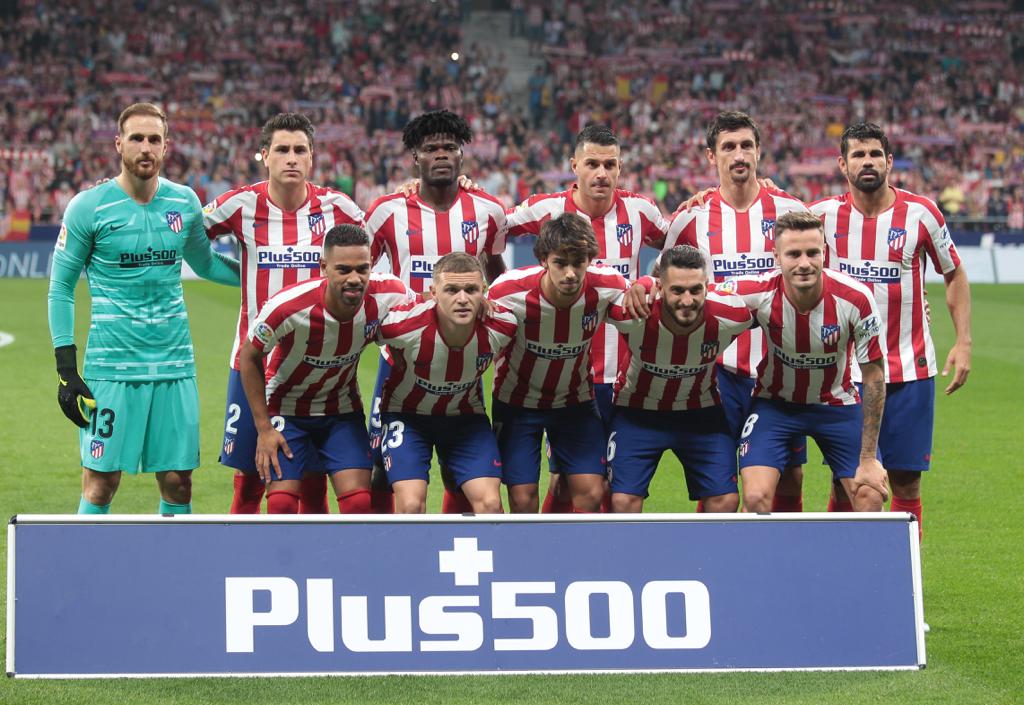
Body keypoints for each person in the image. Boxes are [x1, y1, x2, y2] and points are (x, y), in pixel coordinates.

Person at [47, 102, 240, 514]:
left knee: (178, 482)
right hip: (111, 368)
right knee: (100, 483)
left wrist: (264, 278)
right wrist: (66, 370)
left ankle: (172, 576)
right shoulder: (89, 207)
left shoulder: (184, 202)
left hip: (173, 364)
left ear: (166, 146)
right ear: (119, 143)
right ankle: (86, 575)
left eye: (155, 139)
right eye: (137, 138)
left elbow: (205, 263)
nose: (146, 147)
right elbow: (60, 287)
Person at [811, 122, 971, 536]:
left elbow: (954, 274)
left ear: (889, 162)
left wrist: (963, 342)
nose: (868, 162)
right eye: (859, 155)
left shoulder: (922, 214)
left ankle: (905, 581)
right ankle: (840, 566)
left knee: (906, 481)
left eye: (875, 154)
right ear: (842, 164)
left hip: (910, 369)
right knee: (848, 480)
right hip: (846, 376)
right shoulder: (822, 216)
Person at [203, 113, 366, 515]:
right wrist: (235, 275)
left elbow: (374, 255)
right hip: (253, 364)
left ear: (311, 158)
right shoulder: (241, 205)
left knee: (311, 485)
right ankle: (243, 566)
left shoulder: (337, 208)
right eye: (282, 149)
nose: (291, 158)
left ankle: (316, 570)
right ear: (264, 155)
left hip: (316, 366)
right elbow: (187, 237)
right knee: (249, 484)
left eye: (300, 150)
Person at [504, 123, 669, 512]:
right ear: (573, 165)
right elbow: (487, 227)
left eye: (610, 165)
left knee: (609, 484)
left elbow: (678, 250)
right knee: (565, 480)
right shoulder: (547, 210)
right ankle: (557, 556)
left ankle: (602, 558)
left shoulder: (640, 211)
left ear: (620, 167)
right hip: (567, 377)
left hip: (625, 374)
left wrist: (646, 279)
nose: (601, 173)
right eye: (592, 163)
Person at [663, 111, 810, 512]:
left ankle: (780, 564)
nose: (739, 154)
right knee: (720, 485)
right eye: (728, 147)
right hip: (717, 374)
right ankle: (713, 568)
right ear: (712, 156)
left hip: (779, 370)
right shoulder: (691, 217)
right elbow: (667, 290)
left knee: (791, 477)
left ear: (759, 151)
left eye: (746, 145)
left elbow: (815, 278)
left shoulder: (790, 211)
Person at [365, 109, 508, 513]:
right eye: (431, 149)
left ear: (462, 155)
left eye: (450, 147)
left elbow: (497, 276)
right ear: (415, 158)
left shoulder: (488, 211)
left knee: (459, 470)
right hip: (399, 362)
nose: (441, 155)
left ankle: (453, 556)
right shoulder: (385, 212)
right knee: (379, 469)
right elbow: (363, 273)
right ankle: (381, 553)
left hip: (463, 359)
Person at [238, 225, 412, 514]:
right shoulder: (288, 306)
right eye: (343, 270)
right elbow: (250, 356)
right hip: (286, 409)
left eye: (362, 269)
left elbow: (428, 310)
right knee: (281, 505)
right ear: (323, 268)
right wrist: (264, 428)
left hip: (341, 412)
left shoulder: (390, 294)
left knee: (358, 503)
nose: (354, 279)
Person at [722, 211, 889, 512]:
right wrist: (649, 284)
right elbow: (696, 299)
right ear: (776, 256)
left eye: (813, 253)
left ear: (824, 252)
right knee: (756, 497)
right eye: (793, 254)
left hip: (837, 405)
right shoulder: (757, 291)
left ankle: (846, 559)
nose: (804, 263)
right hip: (775, 404)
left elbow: (874, 375)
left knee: (870, 495)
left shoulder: (856, 299)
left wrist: (868, 459)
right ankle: (762, 559)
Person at [487, 213, 631, 513]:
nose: (570, 273)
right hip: (517, 404)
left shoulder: (608, 286)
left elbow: (640, 294)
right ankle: (530, 557)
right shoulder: (508, 291)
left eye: (578, 262)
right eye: (560, 263)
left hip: (574, 403)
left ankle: (568, 557)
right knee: (523, 499)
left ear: (590, 259)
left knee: (592, 492)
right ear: (543, 259)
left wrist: (644, 283)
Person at [607, 245, 753, 513]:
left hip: (700, 412)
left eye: (695, 290)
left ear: (708, 287)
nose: (687, 300)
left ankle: (706, 556)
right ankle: (625, 555)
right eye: (677, 291)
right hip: (637, 412)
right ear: (661, 288)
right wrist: (643, 281)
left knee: (726, 501)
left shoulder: (732, 315)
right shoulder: (633, 313)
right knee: (622, 502)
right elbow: (597, 289)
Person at [377, 252, 517, 513]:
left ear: (484, 291)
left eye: (471, 290)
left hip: (464, 419)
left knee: (490, 504)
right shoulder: (402, 325)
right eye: (451, 290)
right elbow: (359, 331)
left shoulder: (503, 326)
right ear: (433, 292)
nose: (462, 299)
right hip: (408, 417)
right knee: (410, 504)